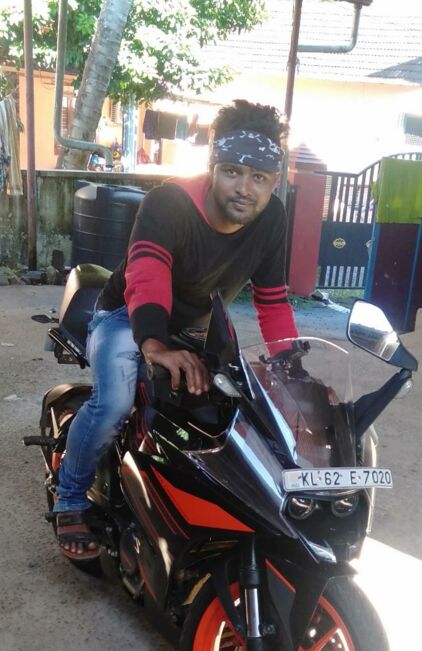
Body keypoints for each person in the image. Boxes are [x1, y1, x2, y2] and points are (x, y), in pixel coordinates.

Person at [55, 100, 299, 560]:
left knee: (232, 407)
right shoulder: (169, 202)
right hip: (127, 314)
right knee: (114, 403)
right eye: (232, 172)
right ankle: (69, 498)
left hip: (195, 326)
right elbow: (147, 273)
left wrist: (292, 368)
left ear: (273, 181)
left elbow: (272, 300)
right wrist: (154, 344)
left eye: (259, 177)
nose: (244, 188)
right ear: (213, 167)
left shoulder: (272, 219)